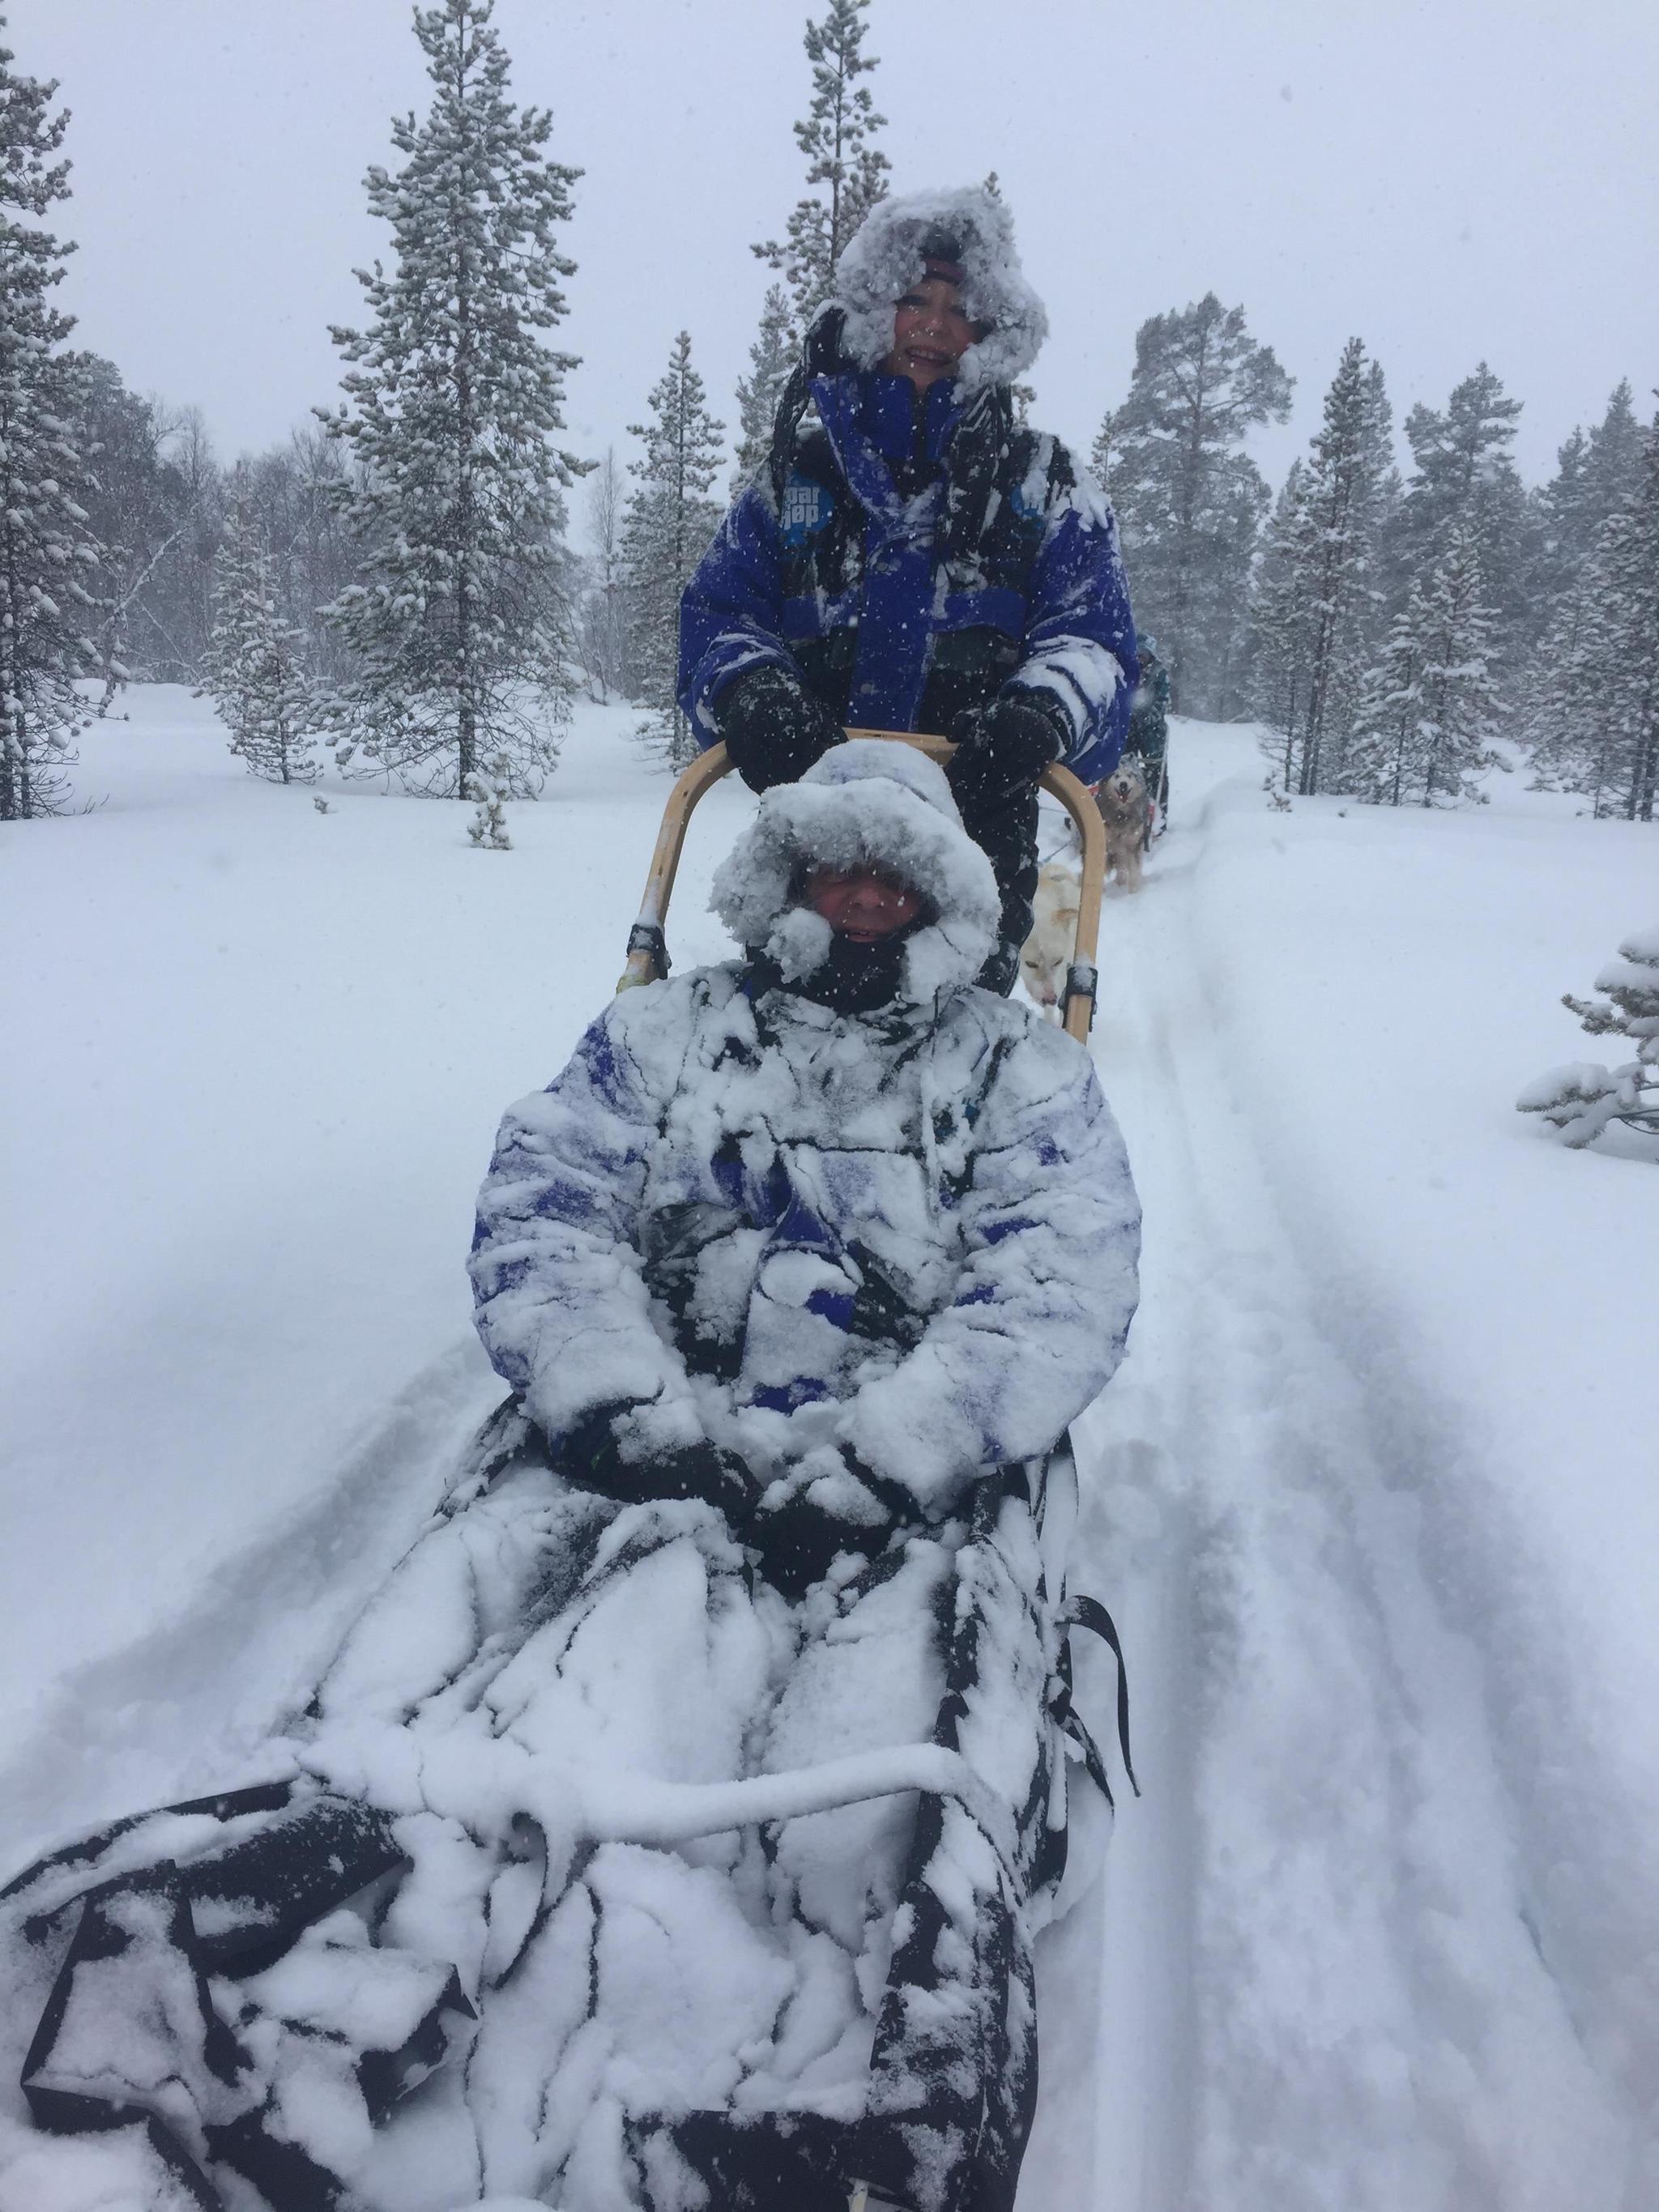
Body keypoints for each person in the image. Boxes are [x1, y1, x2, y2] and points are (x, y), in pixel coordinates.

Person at [2, 745, 1141, 2212]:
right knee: (469, 1683)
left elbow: (1054, 1289)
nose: (859, 898)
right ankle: (349, 1944)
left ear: (941, 898)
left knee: (885, 1750)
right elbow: (547, 1212)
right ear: (781, 880)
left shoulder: (1015, 1068)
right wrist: (627, 1408)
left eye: (893, 875)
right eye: (829, 867)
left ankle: (816, 2061)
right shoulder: (662, 1033)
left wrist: (881, 1458)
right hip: (644, 1445)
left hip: (897, 1480)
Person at [680, 185, 1138, 995]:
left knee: (953, 1049)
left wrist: (1037, 713)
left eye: (958, 308)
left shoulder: (1042, 485)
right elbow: (721, 612)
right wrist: (751, 693)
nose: (933, 325)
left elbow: (1092, 638)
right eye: (911, 299)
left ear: (989, 332)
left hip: (973, 846)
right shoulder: (796, 481)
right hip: (809, 843)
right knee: (782, 1037)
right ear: (871, 314)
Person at [1123, 633, 1171, 832]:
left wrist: (1141, 718)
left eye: (1143, 654)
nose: (1140, 658)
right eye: (1137, 653)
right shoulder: (1127, 671)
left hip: (1153, 732)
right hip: (1128, 729)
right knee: (1122, 769)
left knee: (1155, 771)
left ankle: (1158, 814)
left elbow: (1161, 704)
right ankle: (1121, 809)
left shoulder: (1159, 674)